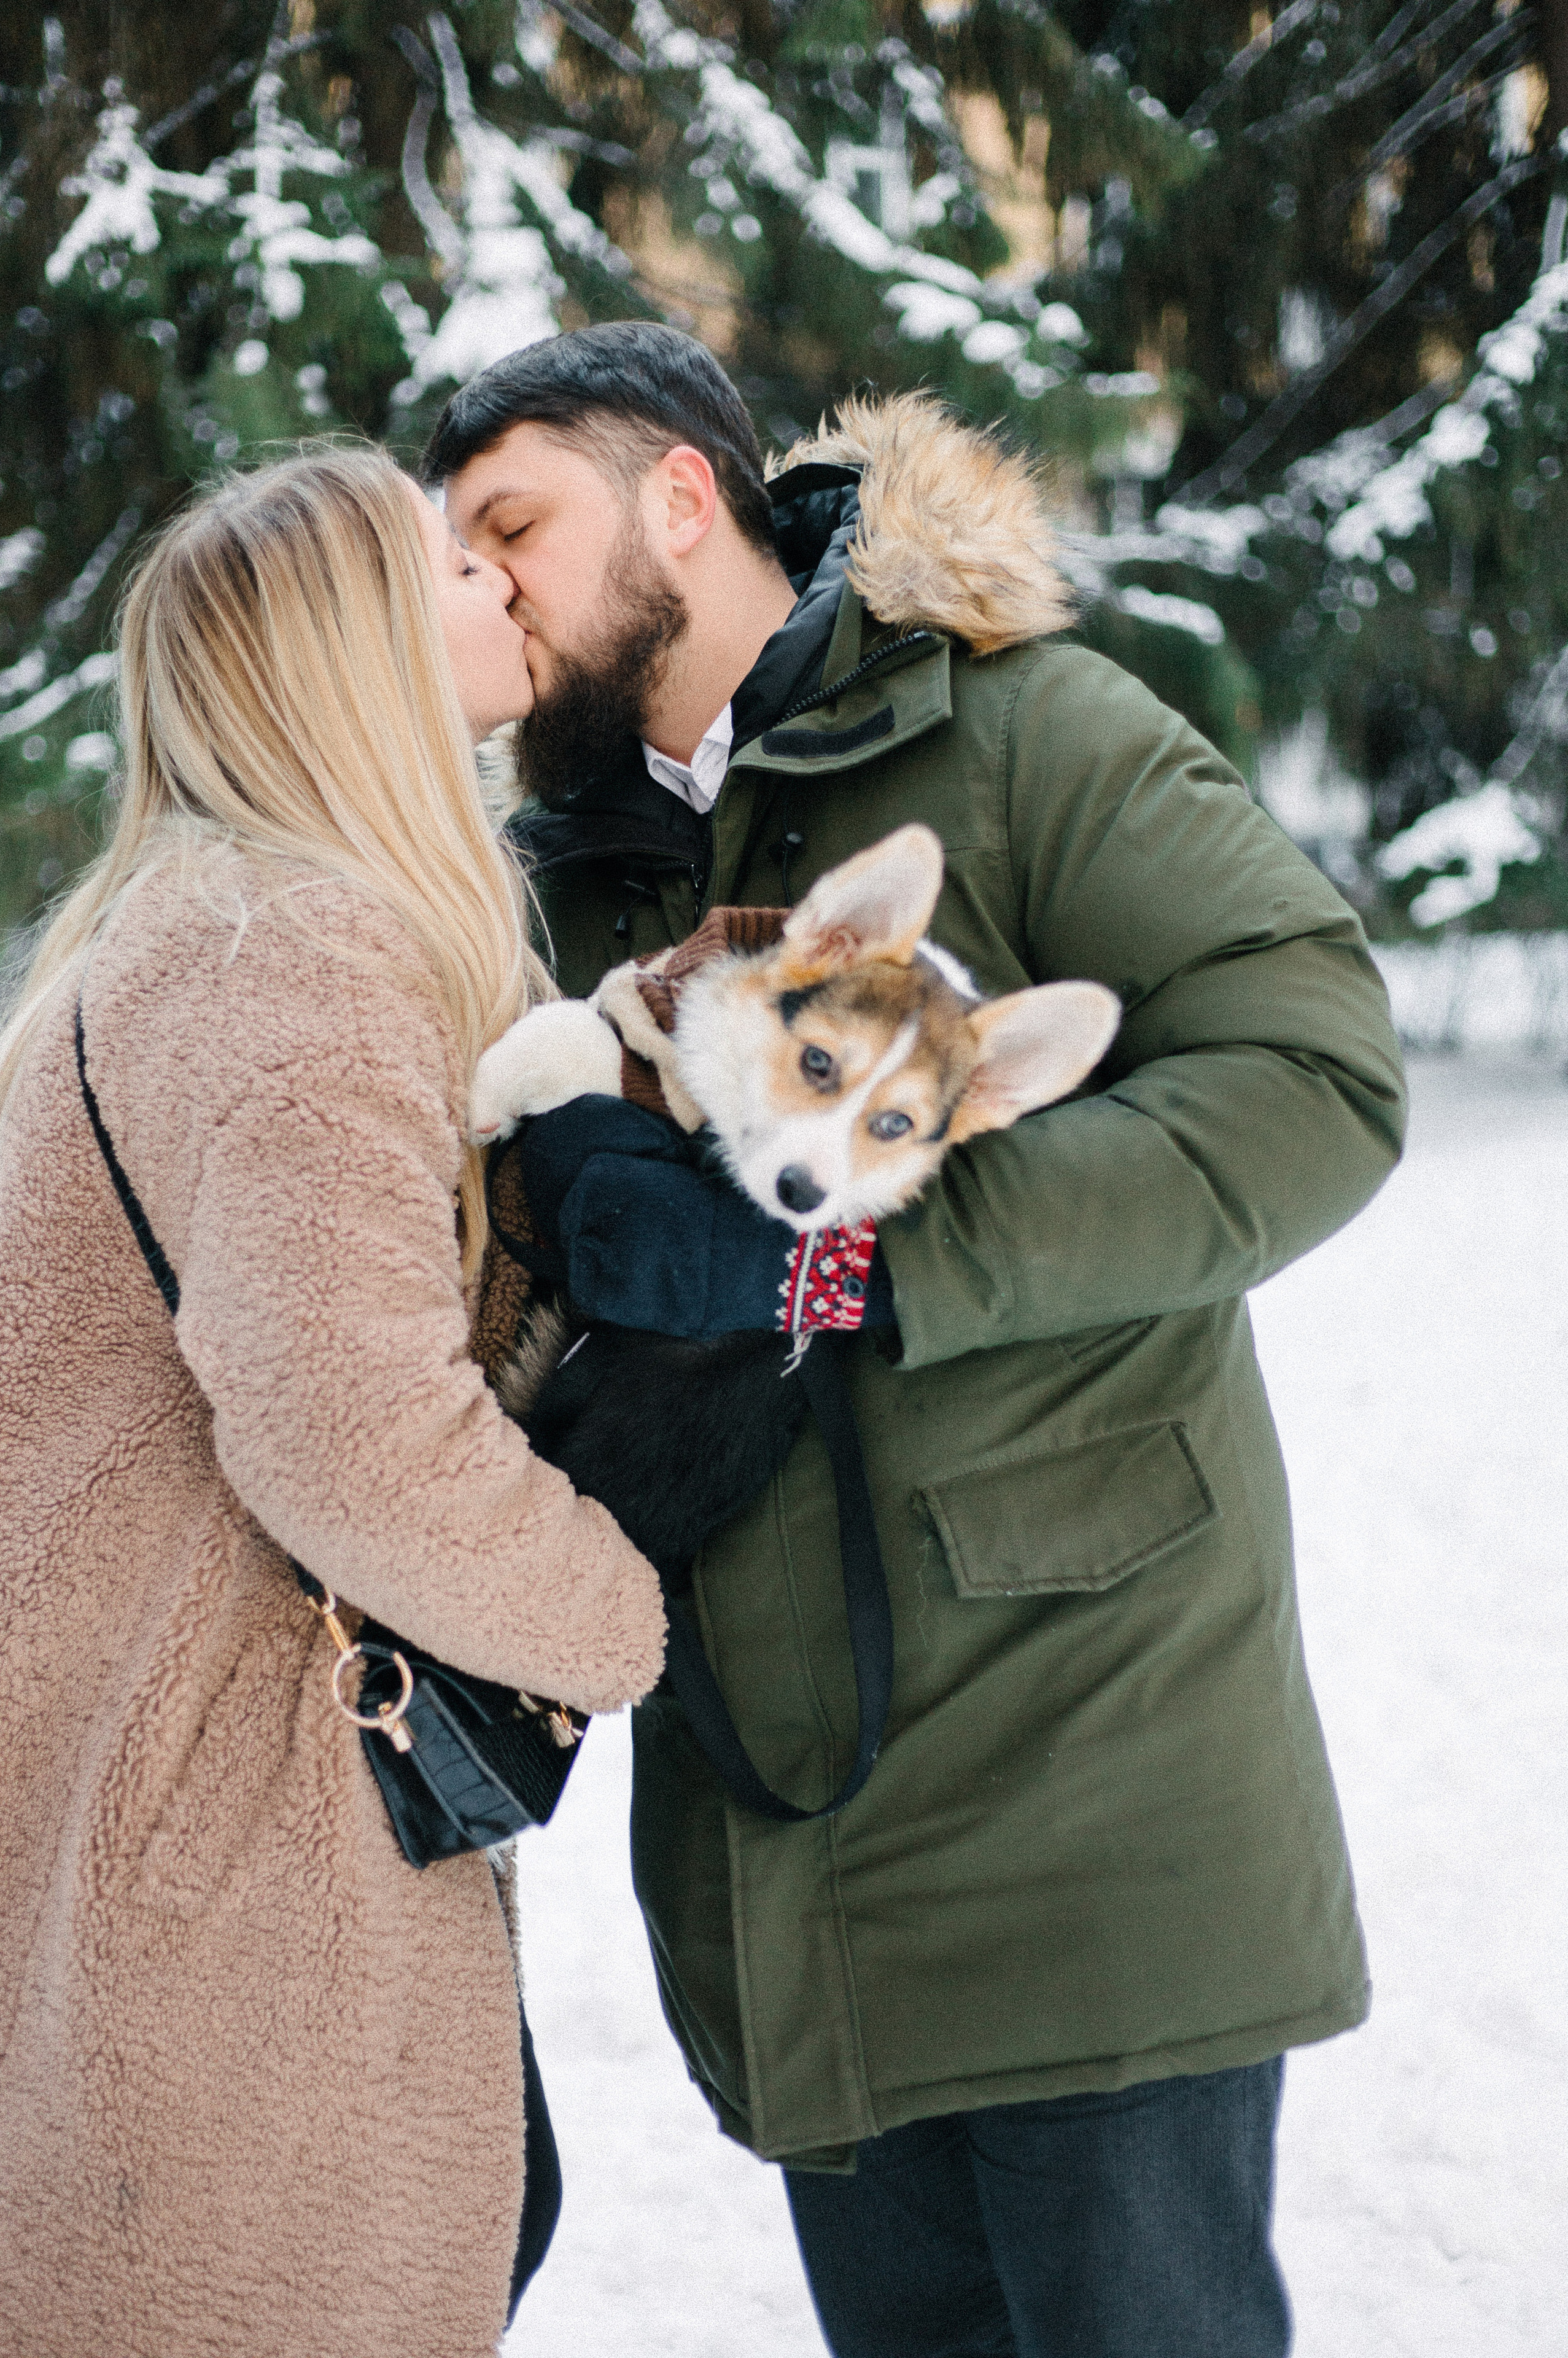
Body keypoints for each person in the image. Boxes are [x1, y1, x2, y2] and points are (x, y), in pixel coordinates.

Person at [429, 322, 1408, 2358]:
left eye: (514, 523)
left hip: (1095, 1804)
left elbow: (1315, 1075)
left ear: (681, 502)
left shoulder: (1032, 735)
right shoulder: (552, 881)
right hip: (793, 1854)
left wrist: (867, 1266)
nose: (486, 582)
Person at [0, 446, 665, 2358]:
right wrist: (617, 1614)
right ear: (353, 650)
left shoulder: (191, 934)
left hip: (130, 1851)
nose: (500, 586)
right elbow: (347, 1433)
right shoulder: (294, 952)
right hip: (221, 1888)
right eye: (450, 562)